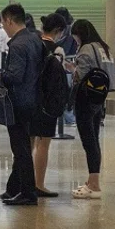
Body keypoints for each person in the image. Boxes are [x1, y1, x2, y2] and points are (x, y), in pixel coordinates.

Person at [0, 4, 45, 206]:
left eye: (4, 22)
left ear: (10, 21)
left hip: (19, 102)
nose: (3, 26)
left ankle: (28, 192)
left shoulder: (18, 45)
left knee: (20, 148)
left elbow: (14, 76)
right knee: (23, 147)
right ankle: (15, 188)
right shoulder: (34, 39)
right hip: (33, 100)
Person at [66, 19, 112, 200]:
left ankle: (94, 184)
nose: (75, 41)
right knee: (94, 139)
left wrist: (71, 68)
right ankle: (93, 180)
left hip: (85, 98)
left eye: (75, 37)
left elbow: (81, 74)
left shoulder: (86, 49)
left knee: (88, 141)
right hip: (99, 98)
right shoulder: (103, 47)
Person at [31, 13, 67, 198]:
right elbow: (57, 80)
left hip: (29, 100)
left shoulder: (33, 45)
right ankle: (39, 184)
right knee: (43, 144)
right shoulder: (57, 50)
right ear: (58, 31)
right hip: (47, 103)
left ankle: (23, 182)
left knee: (28, 143)